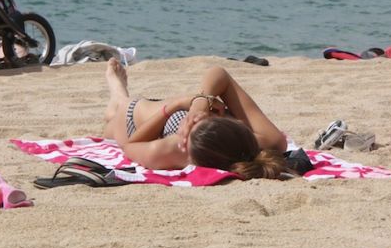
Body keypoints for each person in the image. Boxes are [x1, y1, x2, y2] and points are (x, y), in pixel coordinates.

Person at [102, 58, 288, 179]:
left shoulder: (172, 148)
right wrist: (200, 103)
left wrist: (173, 107)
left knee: (115, 115)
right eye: (209, 116)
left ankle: (118, 93)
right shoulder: (270, 141)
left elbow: (129, 146)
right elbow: (219, 73)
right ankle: (118, 98)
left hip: (133, 118)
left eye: (190, 127)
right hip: (154, 108)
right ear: (236, 123)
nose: (193, 121)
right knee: (116, 111)